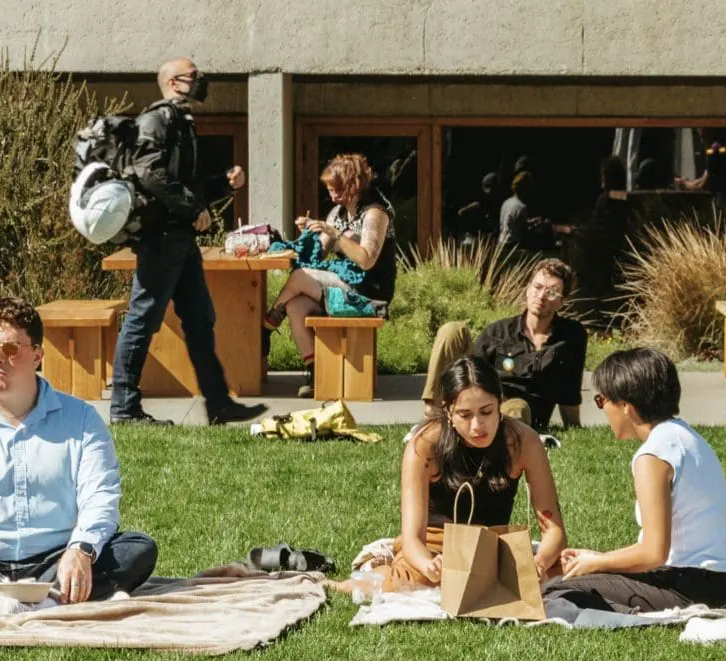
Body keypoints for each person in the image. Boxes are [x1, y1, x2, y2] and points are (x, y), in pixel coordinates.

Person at [0, 297, 158, 610]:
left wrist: (81, 551)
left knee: (138, 549)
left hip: (55, 558)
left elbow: (100, 497)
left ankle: (17, 599)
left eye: (10, 349)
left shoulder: (82, 420)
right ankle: (47, 599)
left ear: (37, 356)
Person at [106, 57, 265, 428]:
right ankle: (124, 408)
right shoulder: (156, 120)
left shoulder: (179, 122)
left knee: (199, 318)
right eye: (194, 76)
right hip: (161, 238)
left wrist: (223, 183)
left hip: (180, 238)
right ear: (174, 82)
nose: (201, 81)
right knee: (143, 319)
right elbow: (149, 172)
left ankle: (218, 404)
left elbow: (182, 184)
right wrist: (193, 208)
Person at [544, 349, 726, 614]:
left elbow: (653, 553)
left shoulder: (653, 456)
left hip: (684, 587)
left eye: (601, 400)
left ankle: (629, 616)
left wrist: (597, 564)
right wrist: (596, 559)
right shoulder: (684, 437)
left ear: (626, 406)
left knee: (554, 590)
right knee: (568, 579)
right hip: (716, 583)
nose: (602, 409)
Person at [369, 354, 569, 591]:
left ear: (500, 403)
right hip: (437, 545)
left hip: (493, 546)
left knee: (569, 568)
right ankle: (373, 574)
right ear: (448, 412)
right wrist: (428, 565)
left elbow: (554, 530)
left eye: (486, 412)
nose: (477, 426)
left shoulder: (523, 442)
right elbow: (412, 538)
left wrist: (539, 563)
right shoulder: (425, 446)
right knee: (404, 583)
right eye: (465, 415)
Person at [424, 260, 590, 430]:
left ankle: (500, 431)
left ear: (562, 301)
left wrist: (573, 426)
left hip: (520, 412)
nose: (541, 296)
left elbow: (570, 390)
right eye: (537, 287)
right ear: (528, 289)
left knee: (517, 408)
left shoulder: (571, 336)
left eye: (552, 293)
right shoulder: (498, 332)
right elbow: (471, 369)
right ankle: (433, 418)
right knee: (452, 330)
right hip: (486, 401)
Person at [267, 152, 395, 367]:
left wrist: (335, 234)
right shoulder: (339, 212)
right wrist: (310, 233)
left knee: (299, 277)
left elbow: (366, 260)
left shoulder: (375, 213)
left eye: (337, 189)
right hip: (349, 283)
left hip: (370, 292)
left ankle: (267, 326)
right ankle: (315, 371)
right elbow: (319, 253)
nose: (333, 196)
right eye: (330, 190)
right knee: (296, 306)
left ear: (354, 185)